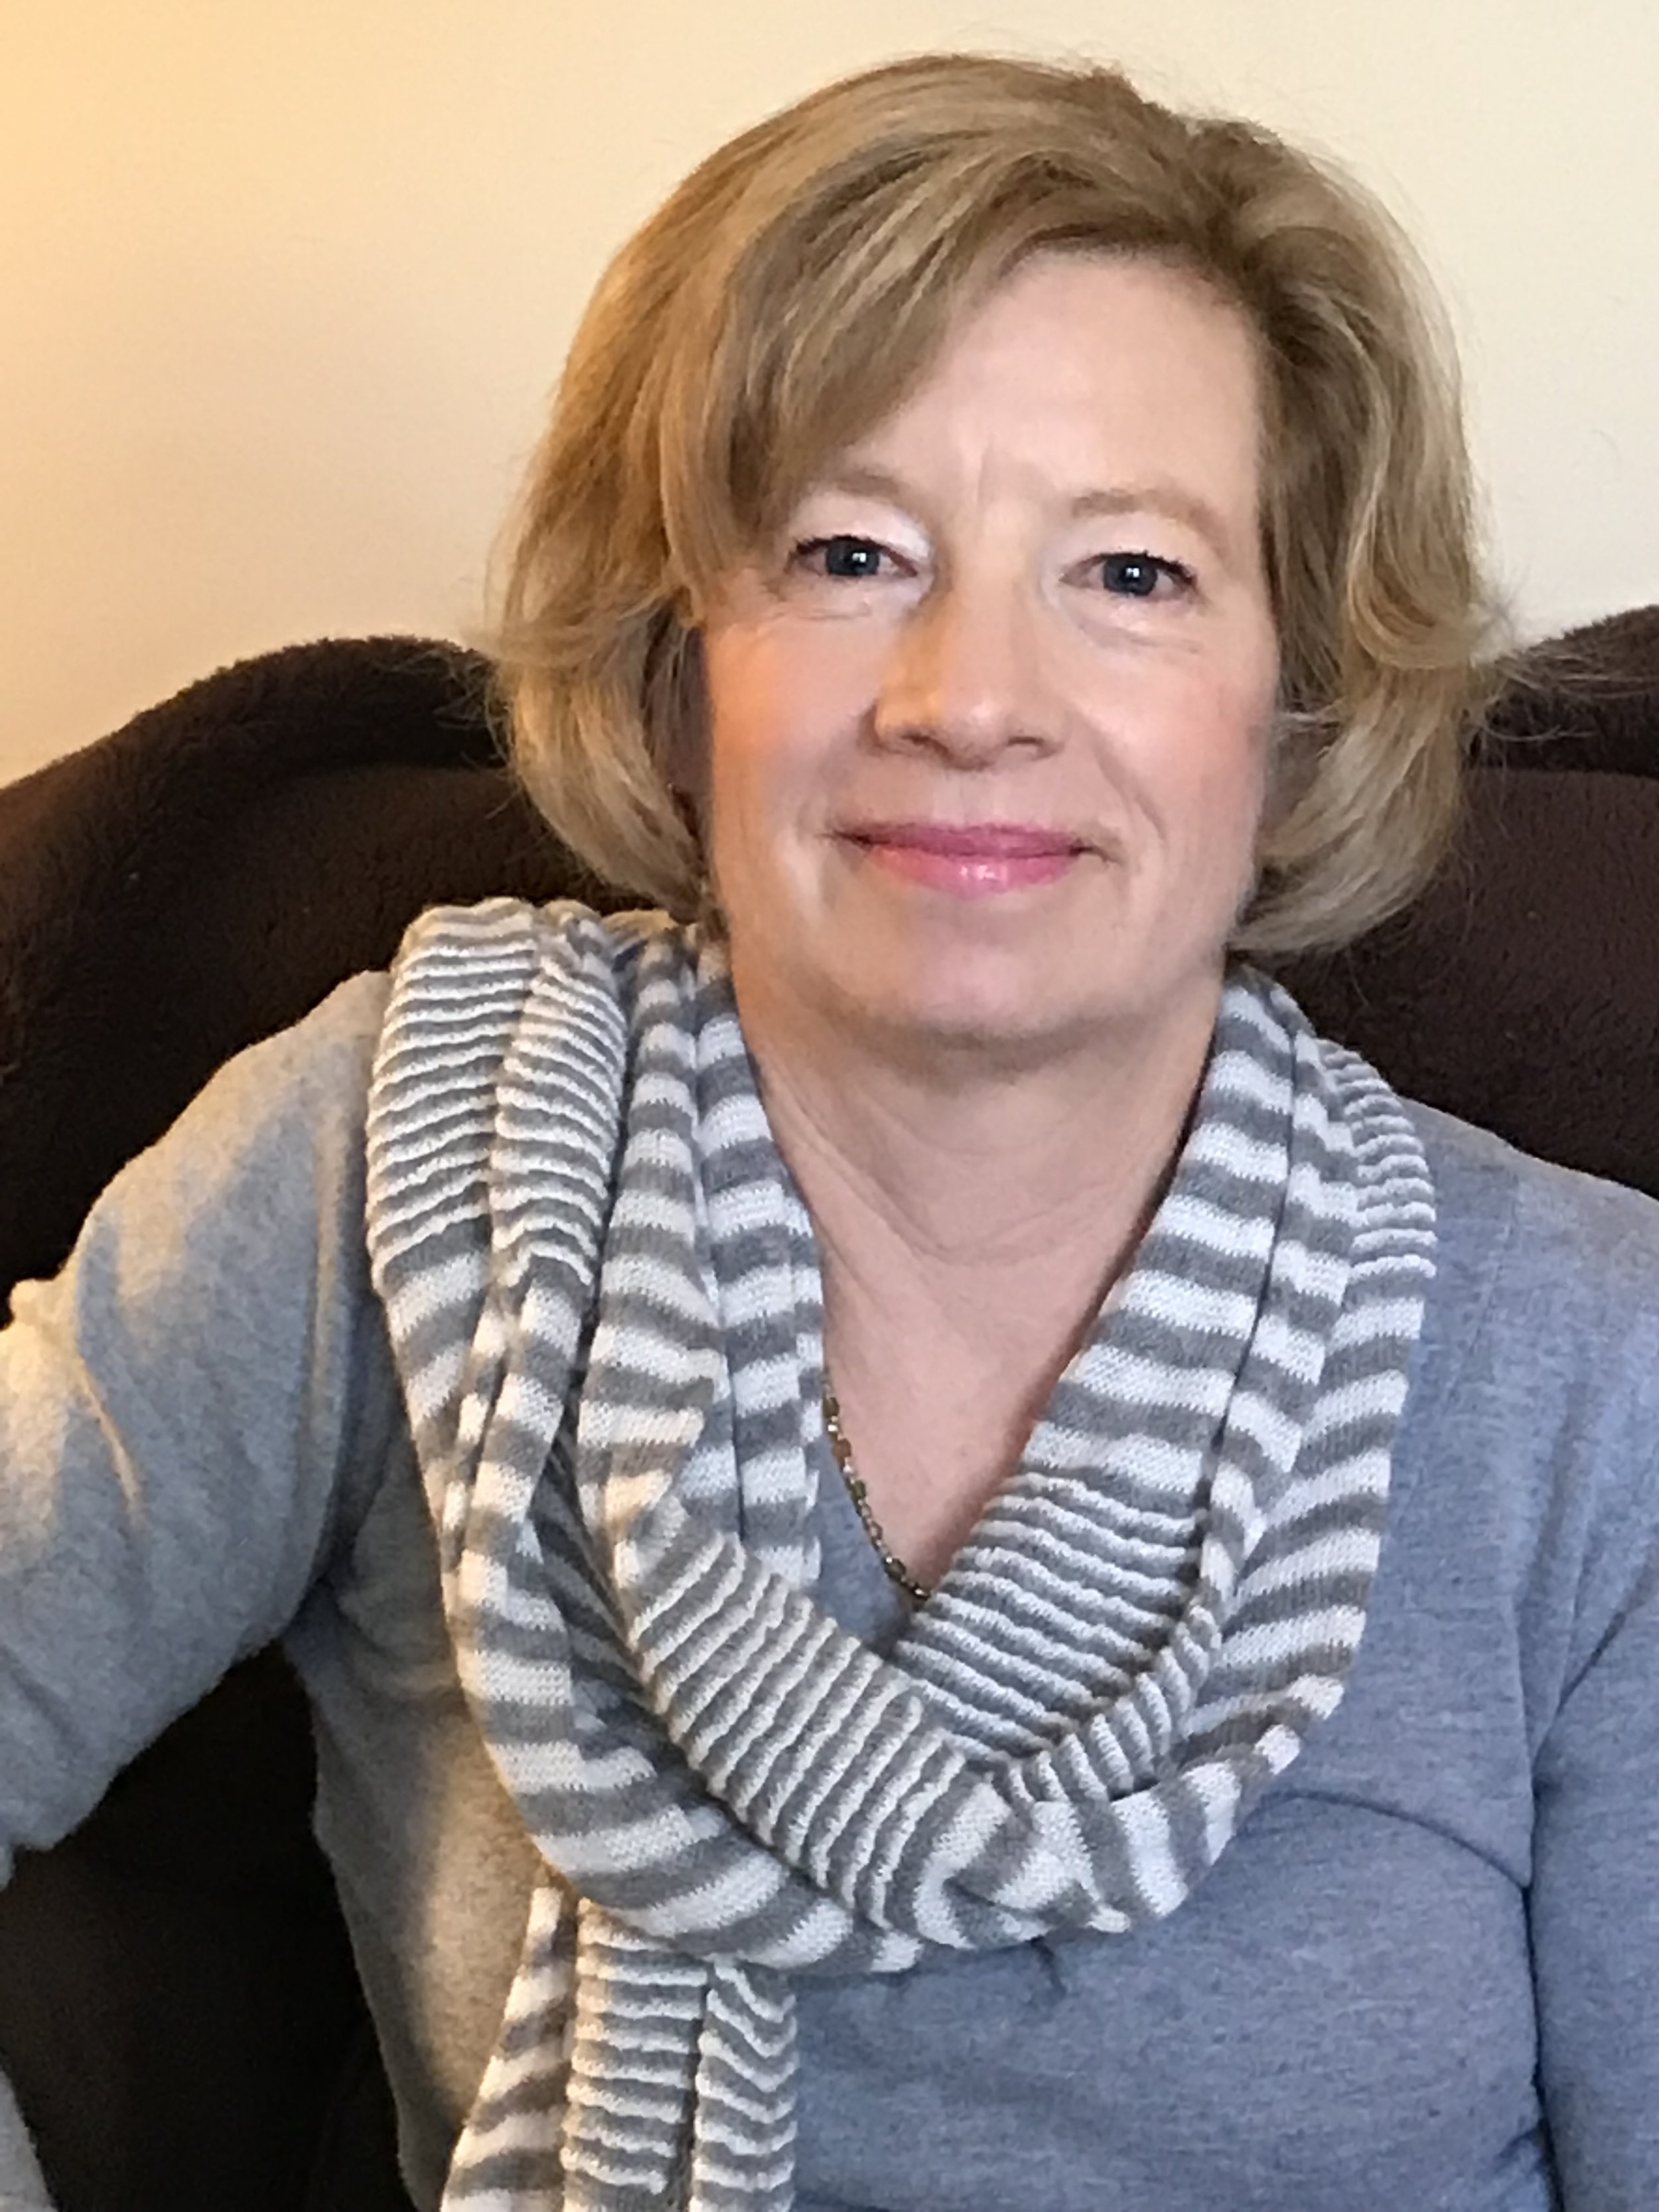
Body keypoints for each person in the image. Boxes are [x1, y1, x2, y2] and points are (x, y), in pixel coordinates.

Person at [3, 48, 1658, 2212]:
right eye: (849, 549)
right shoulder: (402, 1173)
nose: (968, 695)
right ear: (677, 675)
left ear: (1298, 707)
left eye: (1135, 575)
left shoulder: (1593, 1365)